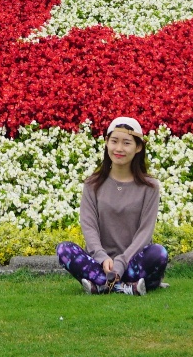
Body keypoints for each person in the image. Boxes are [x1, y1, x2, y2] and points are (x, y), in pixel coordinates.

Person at [58, 116, 167, 294]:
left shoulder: (150, 187)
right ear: (106, 143)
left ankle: (101, 286)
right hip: (101, 264)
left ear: (138, 147)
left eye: (126, 143)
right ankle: (124, 287)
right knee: (64, 249)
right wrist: (101, 257)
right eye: (114, 141)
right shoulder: (93, 184)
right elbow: (89, 226)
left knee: (158, 253)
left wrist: (122, 262)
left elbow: (145, 233)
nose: (119, 148)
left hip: (132, 262)